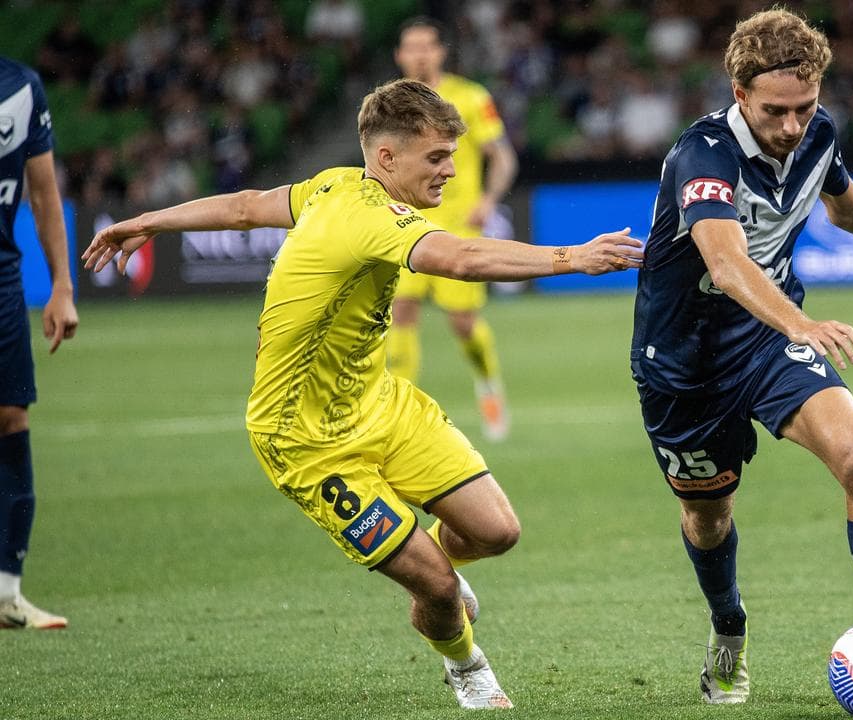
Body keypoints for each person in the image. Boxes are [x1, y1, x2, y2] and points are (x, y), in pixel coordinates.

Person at [84, 79, 642, 709]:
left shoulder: (332, 185)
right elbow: (459, 258)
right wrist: (572, 258)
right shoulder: (371, 217)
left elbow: (245, 206)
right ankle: (465, 663)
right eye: (436, 159)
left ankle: (433, 572)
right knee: (434, 588)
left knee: (496, 531)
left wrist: (148, 222)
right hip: (305, 441)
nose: (451, 172)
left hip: (377, 402)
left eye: (452, 157)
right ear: (386, 159)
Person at [630, 8, 853, 705]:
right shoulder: (702, 153)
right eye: (774, 111)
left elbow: (843, 200)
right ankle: (729, 631)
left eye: (804, 107)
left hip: (766, 345)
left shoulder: (816, 135)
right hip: (684, 366)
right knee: (708, 516)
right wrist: (802, 321)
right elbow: (726, 265)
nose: (791, 126)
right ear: (738, 90)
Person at [387, 18, 519, 441]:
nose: (421, 54)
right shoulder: (388, 106)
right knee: (400, 313)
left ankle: (488, 384)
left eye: (428, 45)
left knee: (463, 322)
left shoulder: (470, 97)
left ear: (440, 52)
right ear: (400, 56)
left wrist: (487, 201)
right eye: (412, 47)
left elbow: (502, 158)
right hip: (405, 224)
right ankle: (397, 411)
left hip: (458, 229)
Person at [0, 56, 79, 630]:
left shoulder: (21, 86)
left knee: (11, 417)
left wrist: (61, 285)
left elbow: (45, 193)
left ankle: (6, 592)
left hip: (3, 276)